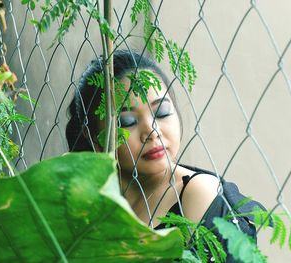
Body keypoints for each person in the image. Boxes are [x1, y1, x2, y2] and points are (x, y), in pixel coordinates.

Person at [66, 50, 266, 262]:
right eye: (127, 122)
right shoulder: (86, 199)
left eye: (161, 112)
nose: (152, 131)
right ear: (94, 136)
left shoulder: (197, 194)